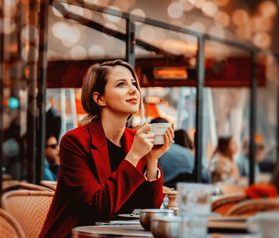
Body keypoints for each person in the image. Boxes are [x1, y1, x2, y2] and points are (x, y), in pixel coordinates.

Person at [40, 60, 173, 237]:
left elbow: (149, 211)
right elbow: (98, 207)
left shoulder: (134, 139)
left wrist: (151, 160)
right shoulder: (74, 141)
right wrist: (134, 155)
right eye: (121, 84)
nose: (134, 89)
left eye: (134, 83)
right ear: (99, 98)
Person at [152, 117, 210, 188]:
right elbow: (206, 176)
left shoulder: (152, 156)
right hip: (194, 188)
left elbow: (151, 185)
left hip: (170, 191)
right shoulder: (186, 152)